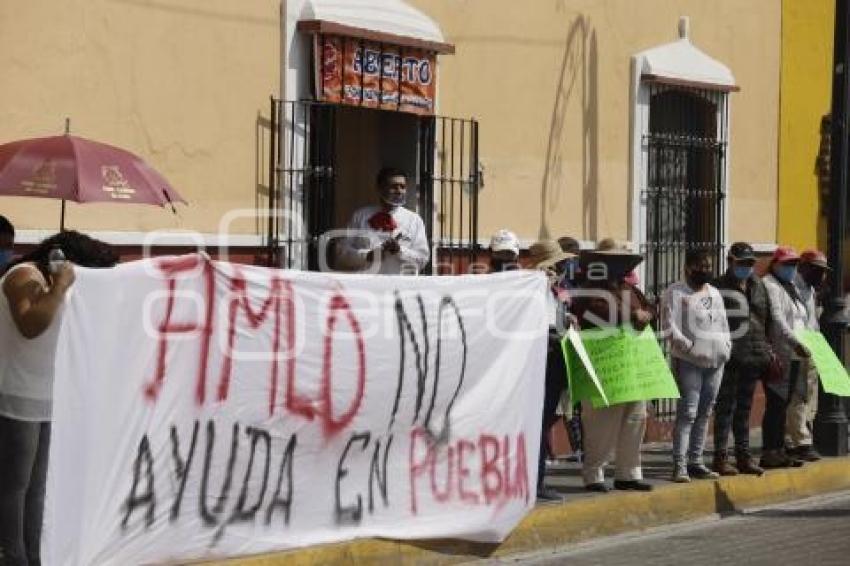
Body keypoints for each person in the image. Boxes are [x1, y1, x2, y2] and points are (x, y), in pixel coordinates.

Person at [0, 230, 118, 565]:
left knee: (38, 489)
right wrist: (61, 286)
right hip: (16, 398)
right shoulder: (23, 276)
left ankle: (33, 555)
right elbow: (30, 324)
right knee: (14, 486)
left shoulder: (53, 284)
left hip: (47, 397)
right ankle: (13, 555)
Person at [571, 239, 654, 492]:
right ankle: (594, 474)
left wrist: (646, 314)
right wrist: (632, 316)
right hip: (603, 367)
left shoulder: (629, 289)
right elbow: (599, 313)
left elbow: (649, 308)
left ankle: (628, 473)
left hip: (631, 367)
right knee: (600, 423)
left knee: (635, 418)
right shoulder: (588, 289)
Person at [661, 249, 731, 483]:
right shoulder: (675, 291)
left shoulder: (714, 292)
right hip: (689, 361)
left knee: (705, 411)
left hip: (716, 361)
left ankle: (696, 461)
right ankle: (679, 465)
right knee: (688, 412)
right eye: (700, 266)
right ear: (688, 268)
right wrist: (688, 347)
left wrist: (726, 346)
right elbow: (669, 326)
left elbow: (723, 321)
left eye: (708, 265)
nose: (705, 270)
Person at [711, 242, 772, 476]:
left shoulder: (758, 284)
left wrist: (766, 348)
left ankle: (743, 456)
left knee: (744, 410)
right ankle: (720, 457)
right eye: (742, 263)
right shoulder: (718, 286)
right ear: (730, 261)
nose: (746, 267)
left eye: (750, 263)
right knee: (725, 408)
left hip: (754, 355)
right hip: (730, 355)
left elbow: (765, 317)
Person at [529, 240, 576, 502]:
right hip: (544, 360)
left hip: (556, 359)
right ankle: (535, 483)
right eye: (558, 262)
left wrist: (566, 320)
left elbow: (554, 318)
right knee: (538, 424)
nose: (562, 266)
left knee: (545, 423)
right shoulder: (536, 288)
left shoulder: (555, 290)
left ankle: (538, 480)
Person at [761, 246, 810, 469]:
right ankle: (771, 451)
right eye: (787, 264)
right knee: (776, 404)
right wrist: (795, 343)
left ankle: (779, 450)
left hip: (795, 353)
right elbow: (778, 321)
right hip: (780, 353)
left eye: (794, 265)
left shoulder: (789, 285)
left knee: (785, 403)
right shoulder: (770, 285)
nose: (791, 268)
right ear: (775, 264)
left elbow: (801, 316)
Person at [336, 167, 430, 275]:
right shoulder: (361, 216)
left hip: (400, 287)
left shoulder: (414, 220)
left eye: (403, 187)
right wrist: (367, 255)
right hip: (367, 286)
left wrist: (400, 251)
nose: (399, 191)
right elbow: (341, 253)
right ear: (380, 188)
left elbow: (423, 259)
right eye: (393, 187)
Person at [785, 249, 830, 462]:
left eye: (823, 271)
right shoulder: (790, 286)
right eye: (817, 270)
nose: (821, 275)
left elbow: (812, 319)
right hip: (797, 346)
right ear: (803, 267)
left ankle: (795, 439)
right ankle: (801, 442)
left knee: (810, 396)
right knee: (798, 395)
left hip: (813, 344)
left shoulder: (810, 289)